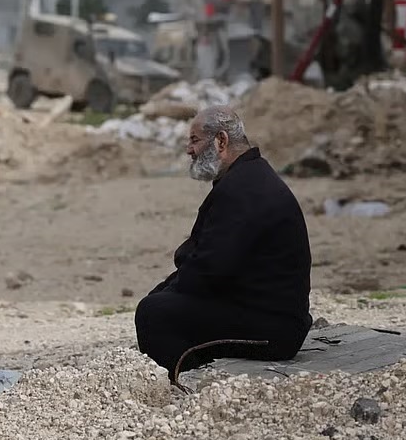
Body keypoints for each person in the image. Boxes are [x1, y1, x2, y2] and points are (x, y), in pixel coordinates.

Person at [134, 106, 313, 379]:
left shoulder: (242, 188)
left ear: (221, 141)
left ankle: (185, 382)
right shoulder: (247, 178)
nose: (189, 150)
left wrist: (167, 293)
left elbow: (210, 269)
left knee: (153, 313)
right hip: (267, 315)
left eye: (195, 140)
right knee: (161, 300)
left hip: (274, 330)